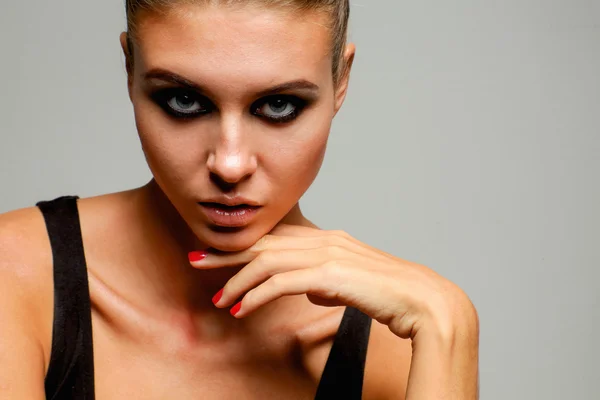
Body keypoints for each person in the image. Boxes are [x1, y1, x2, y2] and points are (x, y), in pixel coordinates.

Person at [0, 0, 479, 398]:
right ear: (130, 70)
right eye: (184, 100)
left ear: (341, 82)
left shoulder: (397, 344)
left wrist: (449, 321)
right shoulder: (16, 276)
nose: (229, 164)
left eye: (278, 105)